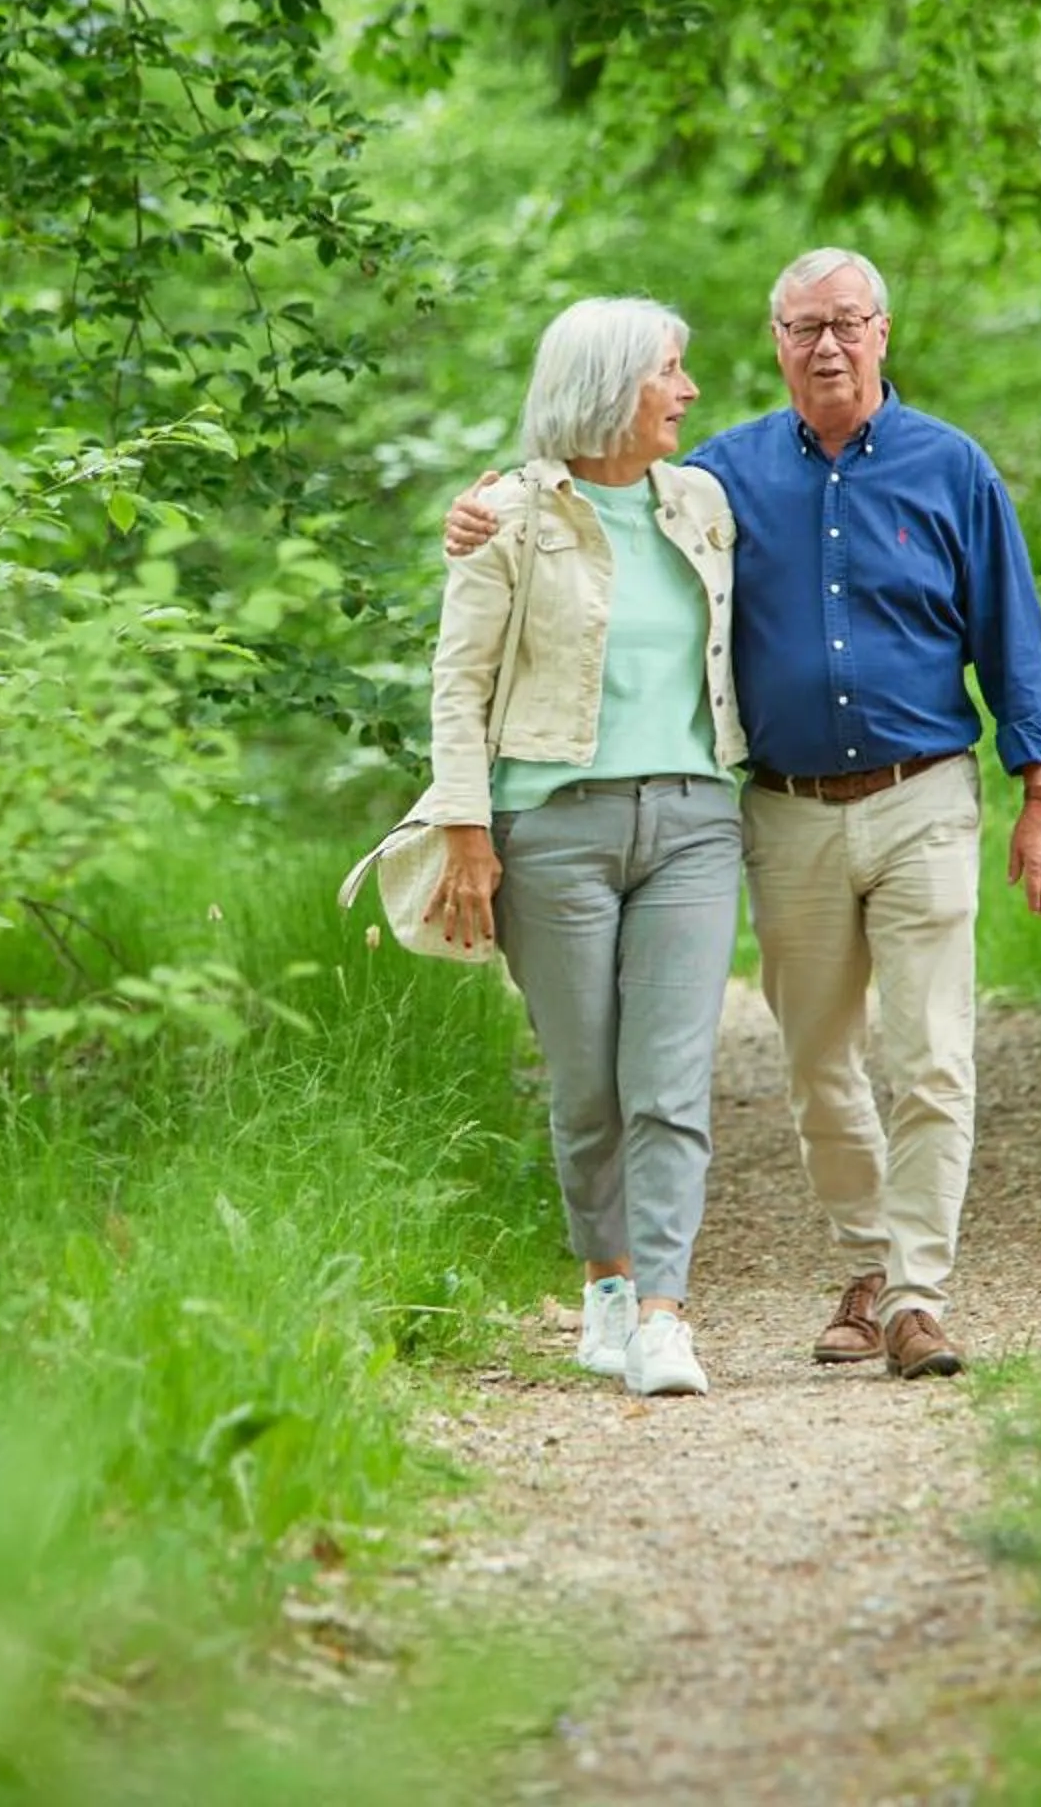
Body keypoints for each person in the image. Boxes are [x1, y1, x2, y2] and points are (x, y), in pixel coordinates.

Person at [446, 248, 1041, 1380]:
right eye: (801, 327)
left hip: (924, 794)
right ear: (776, 342)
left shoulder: (952, 467)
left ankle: (917, 1295)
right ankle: (866, 1264)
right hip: (783, 810)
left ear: (884, 331)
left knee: (930, 1055)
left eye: (846, 322)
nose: (825, 346)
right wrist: (483, 498)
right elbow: (586, 476)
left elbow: (1013, 634)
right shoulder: (719, 479)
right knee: (819, 1063)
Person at [421, 296, 746, 1398]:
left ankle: (665, 1311)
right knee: (589, 1081)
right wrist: (465, 828)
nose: (689, 392)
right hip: (551, 827)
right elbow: (458, 688)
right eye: (671, 371)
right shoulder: (506, 517)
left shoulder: (701, 501)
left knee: (669, 1077)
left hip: (696, 820)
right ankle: (605, 1286)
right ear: (613, 386)